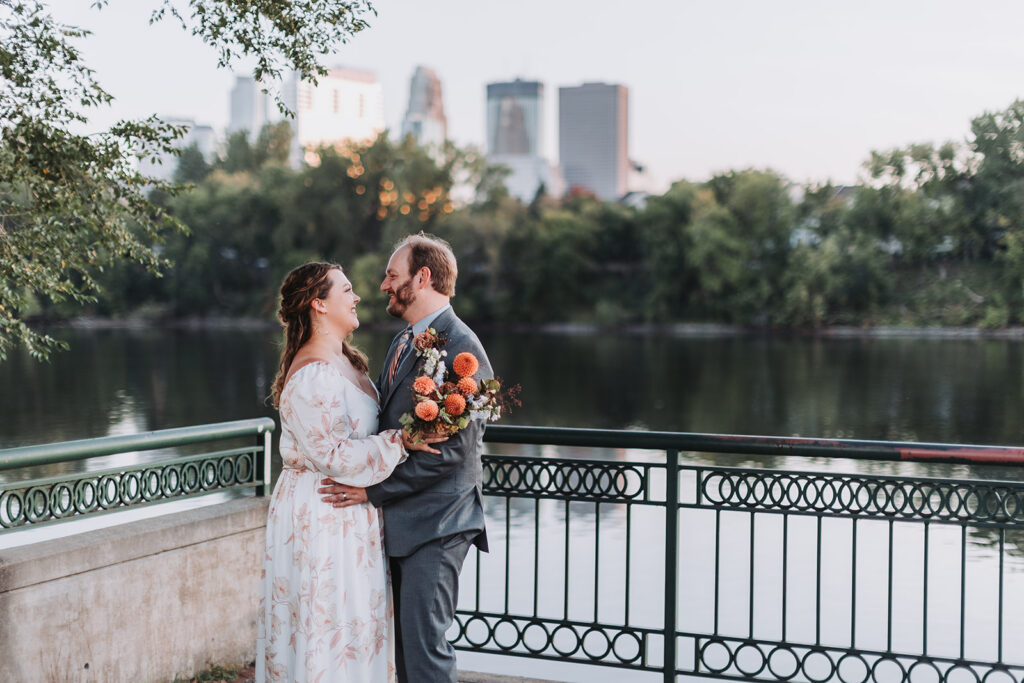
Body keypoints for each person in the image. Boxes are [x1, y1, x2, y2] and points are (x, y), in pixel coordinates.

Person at [256, 262, 446, 683]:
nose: (358, 296)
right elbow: (332, 455)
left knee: (357, 626)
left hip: (352, 512)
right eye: (347, 290)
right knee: (325, 626)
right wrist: (402, 441)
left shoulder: (347, 361)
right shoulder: (312, 374)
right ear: (319, 304)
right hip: (321, 510)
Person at [320, 233, 491, 682]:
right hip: (400, 521)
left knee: (424, 651)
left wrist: (372, 491)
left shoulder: (462, 351)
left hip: (438, 523)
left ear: (423, 277)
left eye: (392, 276)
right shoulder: (402, 342)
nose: (383, 285)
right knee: (397, 651)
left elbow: (453, 451)